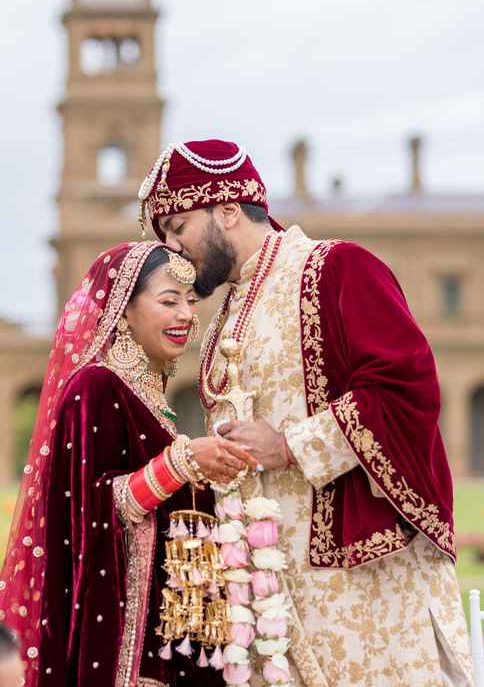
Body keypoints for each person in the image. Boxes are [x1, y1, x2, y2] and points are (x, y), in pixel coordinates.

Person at [139, 139, 475, 687]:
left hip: (358, 587)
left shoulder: (335, 267)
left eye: (179, 227)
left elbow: (404, 387)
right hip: (262, 594)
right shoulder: (226, 311)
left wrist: (292, 444)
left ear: (227, 208)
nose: (174, 249)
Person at [0, 241, 257, 687]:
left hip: (177, 638)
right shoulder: (96, 386)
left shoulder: (153, 401)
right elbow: (89, 507)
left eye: (192, 301)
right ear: (123, 309)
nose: (185, 315)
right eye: (168, 300)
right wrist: (181, 462)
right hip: (129, 654)